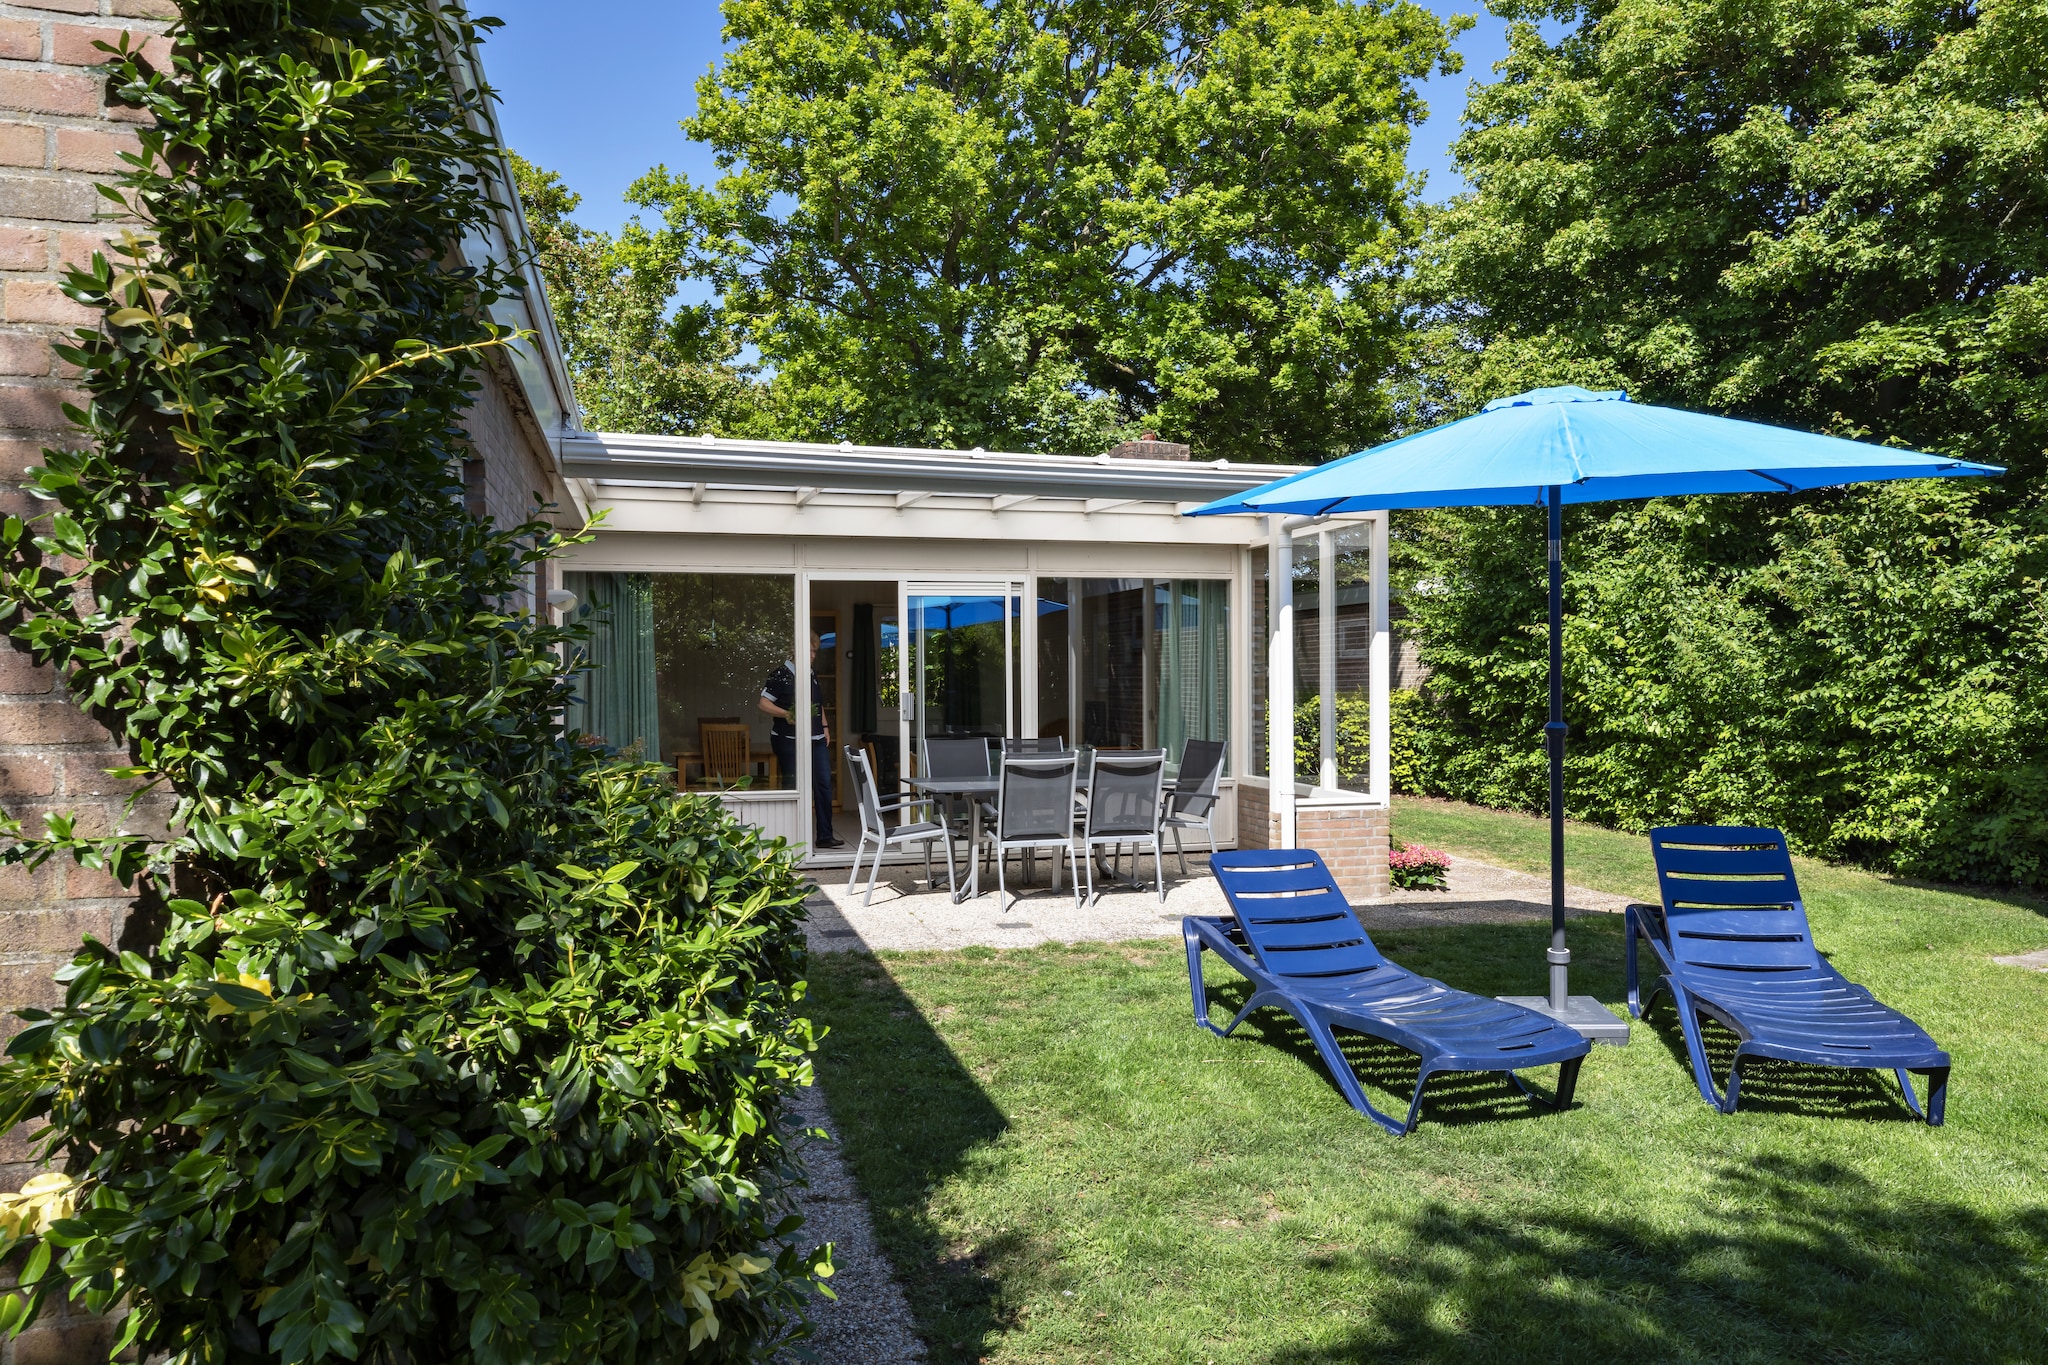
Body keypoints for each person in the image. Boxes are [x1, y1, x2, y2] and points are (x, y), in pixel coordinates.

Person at [760, 634, 841, 848]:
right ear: (795, 650)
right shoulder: (781, 675)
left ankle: (825, 836)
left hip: (815, 738)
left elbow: (818, 703)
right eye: (809, 651)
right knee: (793, 785)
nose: (813, 656)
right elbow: (763, 703)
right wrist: (787, 714)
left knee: (823, 784)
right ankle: (791, 837)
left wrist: (825, 727)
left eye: (815, 652)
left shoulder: (811, 674)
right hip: (788, 739)